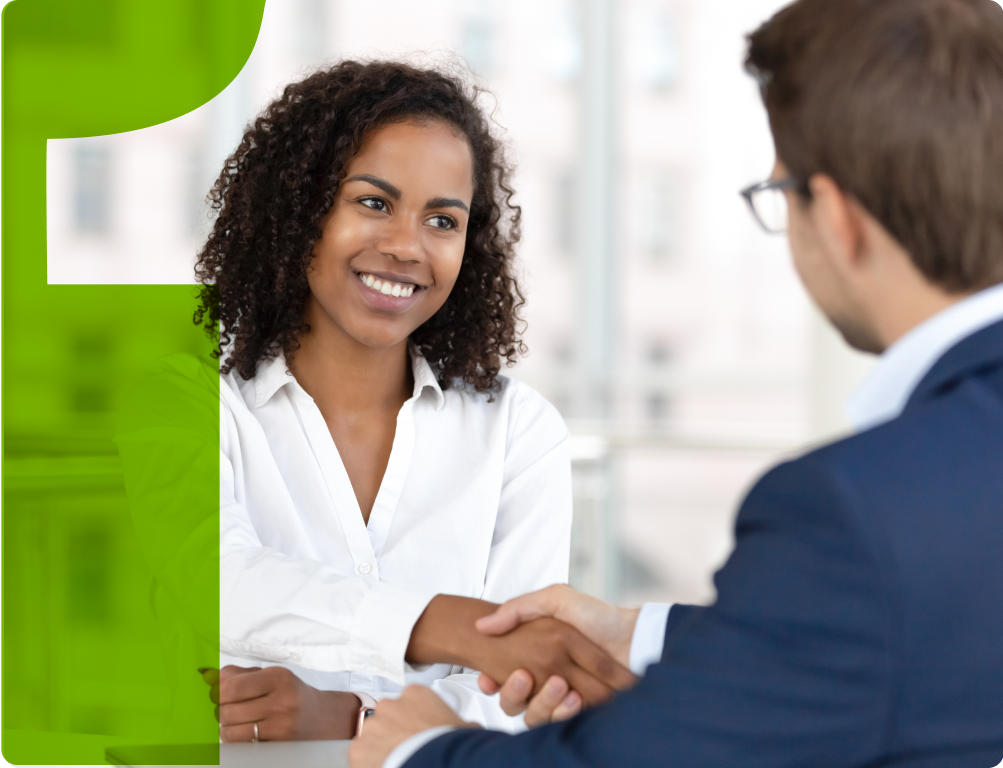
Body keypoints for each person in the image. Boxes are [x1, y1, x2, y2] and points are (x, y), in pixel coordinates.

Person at [349, 0, 1003, 766]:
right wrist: (637, 633)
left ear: (834, 218)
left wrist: (414, 749)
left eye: (778, 196)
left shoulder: (855, 511)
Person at [182, 60, 633, 742]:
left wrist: (352, 718)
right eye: (372, 203)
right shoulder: (184, 401)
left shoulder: (516, 430)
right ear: (298, 210)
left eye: (442, 220)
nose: (405, 247)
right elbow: (219, 582)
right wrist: (452, 629)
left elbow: (525, 691)